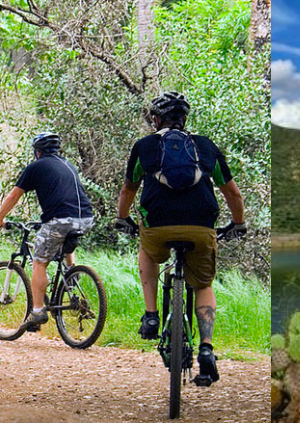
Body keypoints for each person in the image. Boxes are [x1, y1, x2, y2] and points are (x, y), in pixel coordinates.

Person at [113, 91, 249, 387]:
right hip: (200, 226)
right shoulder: (204, 147)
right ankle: (206, 347)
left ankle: (151, 315)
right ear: (185, 119)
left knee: (148, 253)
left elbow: (128, 189)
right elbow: (233, 193)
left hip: (157, 227)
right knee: (203, 284)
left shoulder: (145, 147)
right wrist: (238, 223)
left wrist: (122, 218)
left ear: (156, 119)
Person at [0, 132, 95, 332]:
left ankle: (38, 311)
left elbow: (14, 195)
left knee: (39, 262)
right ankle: (71, 273)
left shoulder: (36, 166)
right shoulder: (67, 164)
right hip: (86, 219)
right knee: (62, 238)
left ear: (37, 152)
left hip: (60, 219)